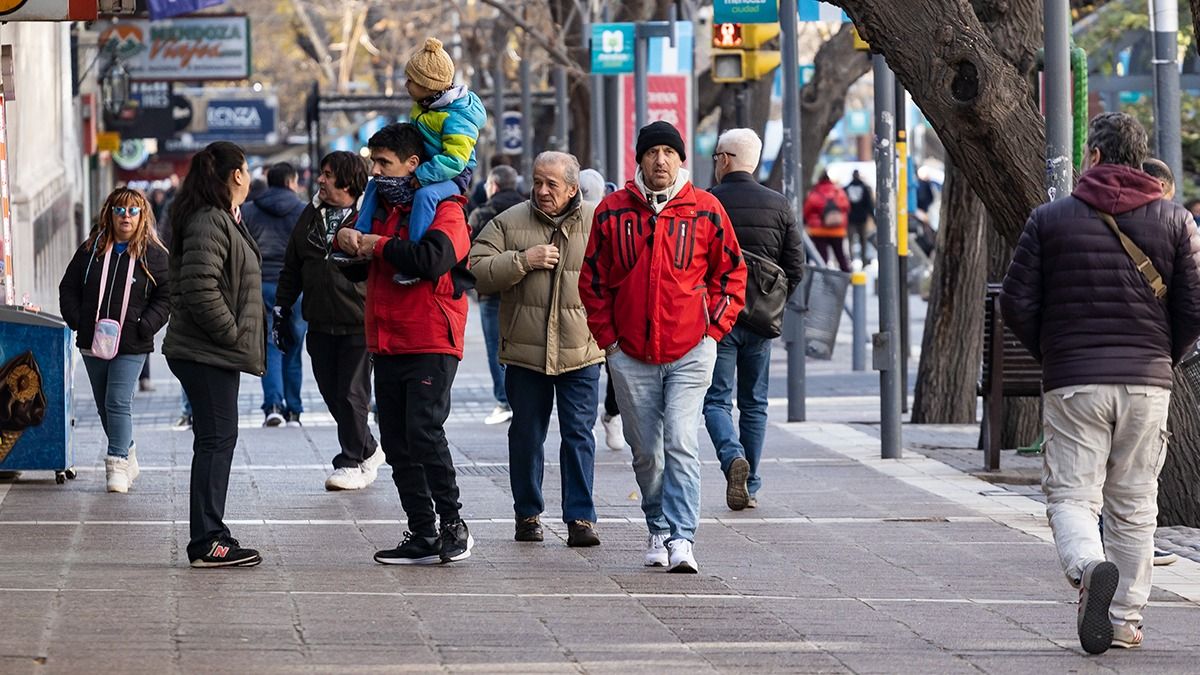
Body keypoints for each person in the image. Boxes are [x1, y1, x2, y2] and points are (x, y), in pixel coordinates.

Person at [1000, 112, 1200, 654]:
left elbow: (1015, 302)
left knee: (1071, 493)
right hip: (1147, 383)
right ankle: (1125, 620)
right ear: (1140, 158)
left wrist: (1055, 350)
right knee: (1135, 503)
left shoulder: (1050, 219)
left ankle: (1090, 566)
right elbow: (1194, 308)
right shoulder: (1177, 221)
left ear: (1091, 156)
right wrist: (1164, 355)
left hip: (1074, 381)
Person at [579, 120, 747, 574]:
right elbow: (592, 281)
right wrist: (609, 342)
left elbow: (731, 274)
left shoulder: (706, 209)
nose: (660, 160)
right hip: (629, 353)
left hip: (691, 349)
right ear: (640, 159)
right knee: (647, 450)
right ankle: (657, 525)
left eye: (668, 153)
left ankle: (682, 537)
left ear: (681, 160)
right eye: (652, 152)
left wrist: (713, 330)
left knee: (680, 439)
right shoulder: (612, 211)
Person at [335, 123, 474, 565]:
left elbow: (433, 259)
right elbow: (356, 267)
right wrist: (347, 242)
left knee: (423, 431)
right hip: (386, 339)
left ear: (414, 164)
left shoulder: (445, 206)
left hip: (430, 336)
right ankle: (422, 531)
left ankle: (454, 526)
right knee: (396, 440)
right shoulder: (379, 208)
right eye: (372, 162)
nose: (374, 172)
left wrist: (375, 246)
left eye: (384, 164)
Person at [471, 151, 604, 547]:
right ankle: (527, 514)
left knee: (579, 434)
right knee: (526, 436)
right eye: (538, 182)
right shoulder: (509, 222)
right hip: (526, 352)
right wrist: (521, 260)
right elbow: (475, 269)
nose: (542, 191)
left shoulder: (598, 221)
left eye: (552, 184)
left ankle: (581, 518)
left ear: (572, 188)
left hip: (581, 350)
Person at [163, 141, 266, 568]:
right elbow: (200, 289)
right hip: (206, 350)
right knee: (216, 441)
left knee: (215, 439)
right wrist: (232, 334)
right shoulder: (209, 220)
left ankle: (210, 534)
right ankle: (207, 540)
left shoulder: (219, 216)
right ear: (236, 175)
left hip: (210, 350)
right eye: (245, 168)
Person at [706, 129, 805, 511]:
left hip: (719, 319)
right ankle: (751, 481)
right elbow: (795, 267)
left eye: (716, 156)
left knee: (716, 400)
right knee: (755, 402)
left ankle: (733, 458)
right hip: (761, 323)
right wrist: (772, 303)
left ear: (726, 159)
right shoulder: (778, 205)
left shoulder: (709, 202)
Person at [275, 151, 384, 491]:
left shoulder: (370, 214)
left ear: (347, 180)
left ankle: (350, 461)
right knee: (331, 393)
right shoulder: (310, 215)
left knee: (352, 393)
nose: (320, 180)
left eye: (327, 174)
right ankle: (369, 447)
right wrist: (282, 307)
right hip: (319, 323)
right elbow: (293, 263)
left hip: (358, 322)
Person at [343, 38, 486, 286]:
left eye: (411, 81)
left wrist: (421, 176)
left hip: (452, 174)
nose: (406, 84)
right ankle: (362, 234)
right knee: (375, 185)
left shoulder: (457, 118)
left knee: (425, 196)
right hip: (425, 167)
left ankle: (414, 250)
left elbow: (455, 160)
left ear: (428, 85)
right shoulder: (423, 106)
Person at [59, 188, 170, 493]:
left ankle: (117, 463)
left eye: (133, 211)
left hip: (131, 342)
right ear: (109, 213)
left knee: (118, 401)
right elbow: (68, 287)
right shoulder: (91, 249)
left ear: (142, 215)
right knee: (104, 406)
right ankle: (128, 450)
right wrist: (78, 320)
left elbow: (166, 295)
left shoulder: (153, 254)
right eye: (119, 210)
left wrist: (145, 325)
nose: (125, 217)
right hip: (93, 339)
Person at [243, 162, 308, 427]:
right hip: (295, 287)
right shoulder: (304, 211)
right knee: (293, 347)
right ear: (292, 182)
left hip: (261, 284)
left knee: (270, 346)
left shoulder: (249, 210)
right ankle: (294, 410)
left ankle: (273, 405)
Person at [467, 164, 524, 425]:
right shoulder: (528, 211)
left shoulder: (481, 214)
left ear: (494, 185)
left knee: (495, 347)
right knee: (523, 345)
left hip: (490, 293)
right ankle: (523, 399)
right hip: (523, 290)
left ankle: (504, 400)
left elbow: (468, 253)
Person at [576, 169, 625, 452]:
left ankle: (606, 417)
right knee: (608, 369)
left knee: (609, 367)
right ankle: (608, 416)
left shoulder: (608, 218)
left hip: (602, 308)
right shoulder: (607, 217)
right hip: (593, 310)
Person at [803, 172, 851, 272]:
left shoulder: (815, 192)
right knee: (840, 256)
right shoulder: (838, 191)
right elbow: (846, 207)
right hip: (837, 230)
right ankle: (848, 277)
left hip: (819, 231)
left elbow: (807, 210)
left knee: (822, 258)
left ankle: (823, 279)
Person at [844, 170, 874, 265]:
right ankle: (864, 260)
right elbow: (869, 204)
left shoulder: (846, 188)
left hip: (850, 218)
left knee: (851, 240)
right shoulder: (865, 188)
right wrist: (873, 217)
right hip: (862, 218)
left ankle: (851, 260)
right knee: (863, 240)